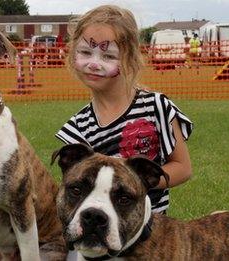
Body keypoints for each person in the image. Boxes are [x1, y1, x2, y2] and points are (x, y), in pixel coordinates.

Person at [55, 5, 193, 214]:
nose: (94, 63)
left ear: (129, 59)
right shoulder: (78, 127)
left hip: (154, 232)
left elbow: (183, 168)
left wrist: (133, 182)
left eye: (108, 56)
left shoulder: (156, 107)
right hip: (100, 232)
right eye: (85, 52)